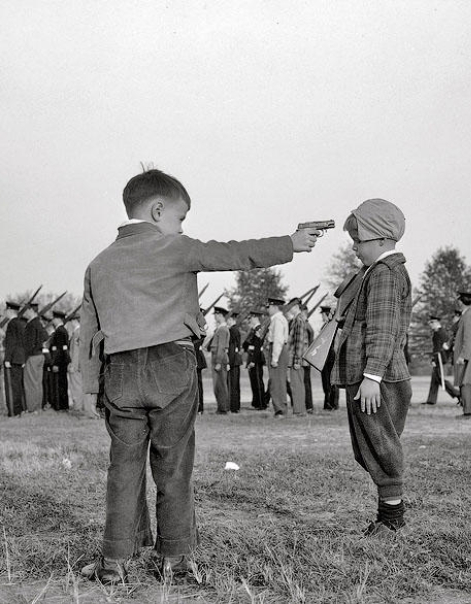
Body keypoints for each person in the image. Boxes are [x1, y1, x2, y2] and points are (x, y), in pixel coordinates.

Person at [79, 168, 319, 585]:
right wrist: (290, 243)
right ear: (158, 211)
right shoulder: (177, 247)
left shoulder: (98, 264)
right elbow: (234, 253)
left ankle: (113, 562)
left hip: (119, 373)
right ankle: (175, 560)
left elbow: (88, 334)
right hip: (171, 367)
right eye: (180, 218)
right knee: (173, 466)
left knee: (123, 468)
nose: (181, 227)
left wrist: (91, 387)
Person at [331, 198, 412, 534]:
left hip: (377, 377)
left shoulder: (384, 274)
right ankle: (387, 517)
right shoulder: (373, 273)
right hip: (371, 376)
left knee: (382, 448)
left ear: (379, 239)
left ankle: (392, 522)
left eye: (357, 240)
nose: (353, 247)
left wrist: (372, 377)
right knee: (372, 447)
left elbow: (382, 328)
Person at [453, 292, 471, 419]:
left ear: (460, 302)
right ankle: (468, 411)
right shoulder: (469, 314)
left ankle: (468, 412)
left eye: (458, 300)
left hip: (468, 354)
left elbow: (468, 338)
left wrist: (463, 355)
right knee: (466, 382)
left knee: (466, 382)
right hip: (469, 353)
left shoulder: (469, 315)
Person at [263, 297, 290, 418]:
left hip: (278, 350)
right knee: (279, 381)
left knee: (276, 382)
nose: (267, 310)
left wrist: (274, 359)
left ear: (274, 307)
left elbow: (278, 340)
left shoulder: (277, 320)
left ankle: (280, 410)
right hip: (279, 350)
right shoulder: (279, 319)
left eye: (268, 307)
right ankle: (281, 408)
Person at [423, 315, 456, 405]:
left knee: (439, 379)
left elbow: (441, 348)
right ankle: (431, 400)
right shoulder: (437, 332)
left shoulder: (440, 333)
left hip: (440, 359)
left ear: (436, 322)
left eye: (431, 323)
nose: (430, 325)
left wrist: (435, 360)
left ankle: (457, 394)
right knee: (435, 379)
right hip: (439, 357)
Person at [3, 301, 26, 417]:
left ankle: (13, 411)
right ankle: (20, 409)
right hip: (20, 358)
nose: (5, 312)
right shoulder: (21, 323)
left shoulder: (11, 324)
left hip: (12, 358)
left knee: (11, 386)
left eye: (6, 310)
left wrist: (7, 358)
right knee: (18, 385)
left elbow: (11, 342)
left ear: (10, 310)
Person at [22, 303, 46, 413]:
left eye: (27, 310)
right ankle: (38, 407)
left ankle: (32, 408)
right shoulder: (39, 323)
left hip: (32, 356)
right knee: (37, 383)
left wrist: (25, 358)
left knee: (30, 383)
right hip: (40, 355)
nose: (25, 312)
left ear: (31, 310)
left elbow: (29, 344)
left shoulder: (31, 324)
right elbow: (45, 337)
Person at [286, 298, 308, 416]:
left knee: (296, 385)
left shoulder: (298, 321)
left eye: (290, 307)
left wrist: (297, 360)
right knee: (297, 384)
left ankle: (299, 410)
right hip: (296, 358)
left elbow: (299, 342)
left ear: (295, 307)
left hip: (296, 359)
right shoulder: (297, 320)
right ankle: (299, 409)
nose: (289, 309)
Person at [209, 306, 231, 414]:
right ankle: (221, 407)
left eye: (216, 315)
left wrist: (218, 362)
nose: (215, 317)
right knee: (218, 385)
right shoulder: (221, 328)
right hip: (218, 357)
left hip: (219, 358)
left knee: (220, 385)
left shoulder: (222, 329)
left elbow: (221, 347)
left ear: (220, 315)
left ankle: (223, 408)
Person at [243, 310, 266, 409]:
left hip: (256, 358)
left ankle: (261, 403)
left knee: (258, 381)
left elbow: (258, 347)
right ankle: (256, 403)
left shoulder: (259, 329)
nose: (250, 319)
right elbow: (245, 344)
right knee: (254, 382)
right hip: (251, 356)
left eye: (251, 317)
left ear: (256, 317)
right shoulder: (253, 329)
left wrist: (253, 361)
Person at [318, 305, 339, 411]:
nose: (322, 317)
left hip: (329, 356)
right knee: (326, 381)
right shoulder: (326, 326)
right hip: (326, 356)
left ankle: (331, 404)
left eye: (323, 314)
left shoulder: (331, 326)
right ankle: (329, 403)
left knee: (329, 381)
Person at [50, 310, 70, 411]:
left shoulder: (59, 331)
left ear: (58, 319)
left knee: (59, 384)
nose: (52, 320)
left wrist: (55, 363)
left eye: (54, 318)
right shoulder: (63, 330)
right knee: (63, 383)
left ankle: (59, 405)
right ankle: (63, 405)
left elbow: (58, 350)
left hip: (59, 362)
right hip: (63, 362)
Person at [300, 300, 315, 414]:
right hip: (306, 358)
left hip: (304, 358)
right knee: (306, 382)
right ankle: (308, 405)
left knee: (305, 382)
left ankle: (308, 405)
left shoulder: (305, 325)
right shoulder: (307, 325)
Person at [226, 312, 242, 413]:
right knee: (235, 384)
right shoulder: (236, 330)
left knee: (233, 384)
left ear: (232, 320)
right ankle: (236, 406)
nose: (227, 321)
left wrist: (229, 362)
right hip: (236, 360)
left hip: (233, 360)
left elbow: (232, 348)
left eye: (228, 319)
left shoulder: (232, 330)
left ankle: (233, 406)